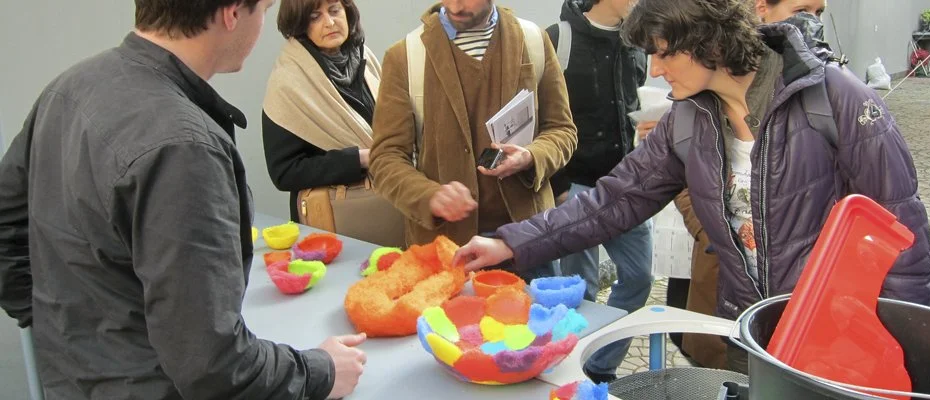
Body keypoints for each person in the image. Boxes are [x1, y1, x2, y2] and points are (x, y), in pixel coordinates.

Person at [453, 0, 930, 375]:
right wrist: (508, 241)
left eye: (663, 53)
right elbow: (616, 199)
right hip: (748, 334)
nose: (656, 70)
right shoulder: (688, 118)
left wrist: (910, 346)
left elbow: (901, 231)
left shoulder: (836, 97)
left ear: (710, 42)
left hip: (837, 339)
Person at [0, 1, 366, 398]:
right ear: (231, 14)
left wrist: (70, 331)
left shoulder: (69, 87)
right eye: (263, 8)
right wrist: (320, 372)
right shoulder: (185, 149)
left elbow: (6, 232)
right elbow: (214, 365)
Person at [673, 0, 835, 371]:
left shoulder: (829, 90)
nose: (810, 22)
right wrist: (712, 234)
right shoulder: (698, 99)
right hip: (723, 284)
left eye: (819, 13)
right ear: (761, 9)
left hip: (804, 309)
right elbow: (672, 179)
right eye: (801, 9)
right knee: (721, 373)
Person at [368, 0, 577, 281]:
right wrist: (428, 195)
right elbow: (385, 157)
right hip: (446, 251)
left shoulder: (534, 41)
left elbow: (562, 130)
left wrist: (530, 156)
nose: (454, 6)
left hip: (527, 242)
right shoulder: (405, 56)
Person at [544, 0, 653, 383]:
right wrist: (555, 186)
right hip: (575, 188)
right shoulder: (559, 39)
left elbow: (633, 102)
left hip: (627, 185)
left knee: (639, 278)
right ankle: (570, 373)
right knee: (581, 290)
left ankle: (598, 365)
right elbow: (542, 116)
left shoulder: (638, 43)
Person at [262, 0, 404, 247]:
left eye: (335, 11)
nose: (329, 22)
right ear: (299, 25)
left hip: (386, 208)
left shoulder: (363, 58)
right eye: (315, 17)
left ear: (347, 13)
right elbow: (284, 172)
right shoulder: (287, 84)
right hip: (330, 224)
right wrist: (359, 158)